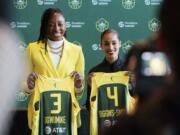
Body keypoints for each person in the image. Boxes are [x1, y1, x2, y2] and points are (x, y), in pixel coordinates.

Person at [23, 8, 85, 134]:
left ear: (65, 26)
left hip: (66, 113)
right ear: (45, 27)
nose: (56, 28)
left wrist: (78, 86)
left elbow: (79, 92)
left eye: (60, 24)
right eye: (51, 24)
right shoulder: (32, 49)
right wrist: (29, 86)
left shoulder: (76, 50)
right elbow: (25, 86)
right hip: (41, 113)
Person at [85, 29, 135, 134]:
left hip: (127, 128)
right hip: (103, 129)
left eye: (114, 43)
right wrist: (91, 86)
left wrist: (134, 84)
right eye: (106, 44)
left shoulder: (130, 70)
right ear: (101, 46)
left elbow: (140, 102)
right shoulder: (94, 73)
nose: (111, 47)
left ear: (120, 44)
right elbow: (90, 107)